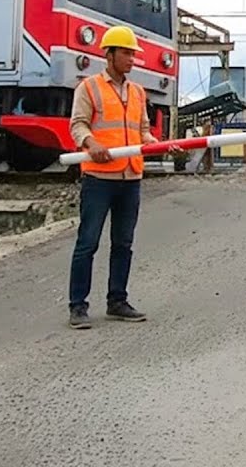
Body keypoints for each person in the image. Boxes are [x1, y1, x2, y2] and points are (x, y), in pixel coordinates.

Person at [67, 25, 183, 330]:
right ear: (110, 54)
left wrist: (159, 144)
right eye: (127, 53)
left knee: (124, 243)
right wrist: (92, 144)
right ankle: (78, 306)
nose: (133, 59)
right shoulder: (89, 87)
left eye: (133, 53)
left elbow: (142, 131)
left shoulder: (137, 92)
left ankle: (117, 301)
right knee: (88, 242)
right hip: (99, 178)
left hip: (130, 176)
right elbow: (78, 126)